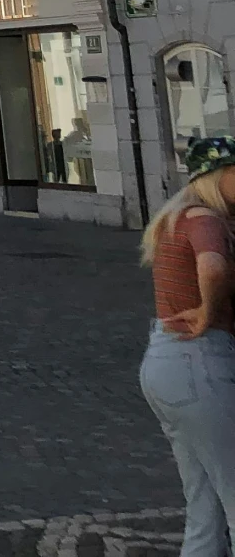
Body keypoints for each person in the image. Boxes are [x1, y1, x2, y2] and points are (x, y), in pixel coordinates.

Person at [140, 133, 235, 553]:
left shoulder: (174, 219)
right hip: (201, 361)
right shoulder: (205, 220)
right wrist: (208, 312)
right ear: (215, 176)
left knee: (205, 507)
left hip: (166, 363)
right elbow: (212, 267)